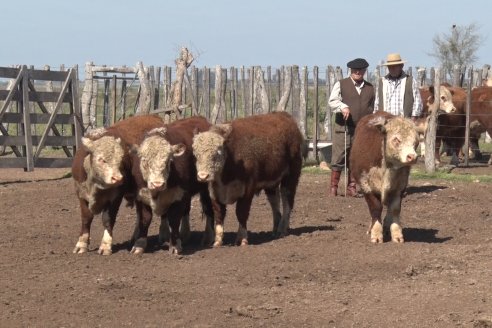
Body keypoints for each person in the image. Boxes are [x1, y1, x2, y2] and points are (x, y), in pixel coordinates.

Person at [328, 58, 375, 197]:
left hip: (361, 129)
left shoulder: (370, 88)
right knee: (338, 156)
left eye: (360, 70)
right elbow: (332, 101)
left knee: (355, 158)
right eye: (355, 70)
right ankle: (333, 188)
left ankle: (351, 188)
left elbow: (373, 107)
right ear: (351, 71)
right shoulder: (341, 84)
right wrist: (343, 106)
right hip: (343, 127)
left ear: (365, 71)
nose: (358, 72)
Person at [375, 53, 423, 120]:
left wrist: (413, 119)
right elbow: (377, 103)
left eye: (395, 66)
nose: (392, 69)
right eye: (390, 67)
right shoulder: (382, 82)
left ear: (401, 66)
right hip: (385, 122)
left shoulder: (410, 81)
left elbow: (417, 102)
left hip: (404, 122)